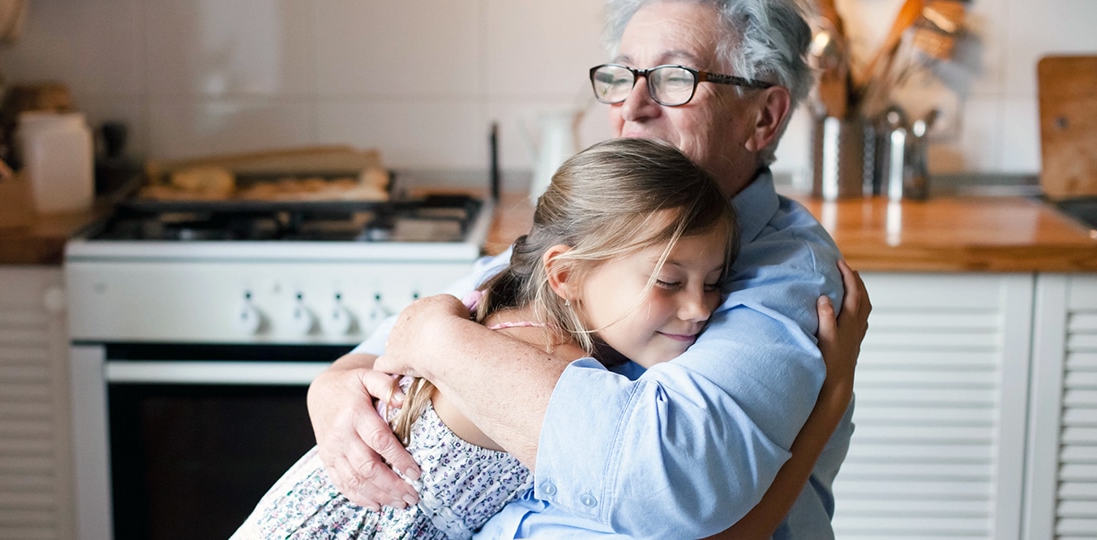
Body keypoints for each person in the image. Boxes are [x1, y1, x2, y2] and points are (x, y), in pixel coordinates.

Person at [308, 0, 869, 538]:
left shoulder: (789, 281)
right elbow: (374, 359)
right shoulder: (607, 229)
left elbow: (664, 480)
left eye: (675, 78)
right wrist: (332, 391)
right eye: (622, 77)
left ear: (764, 117)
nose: (632, 106)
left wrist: (436, 337)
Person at [234, 138, 860, 539]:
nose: (700, 308)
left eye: (717, 281)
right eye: (669, 280)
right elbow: (708, 530)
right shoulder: (541, 363)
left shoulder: (525, 305)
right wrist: (827, 403)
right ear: (564, 274)